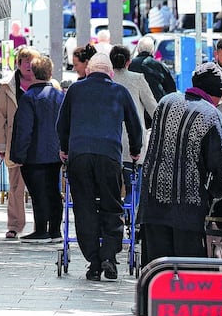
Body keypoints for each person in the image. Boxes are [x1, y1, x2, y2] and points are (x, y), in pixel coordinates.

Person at [56, 52, 143, 282]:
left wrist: (64, 148)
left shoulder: (75, 90)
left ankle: (94, 263)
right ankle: (109, 257)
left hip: (80, 156)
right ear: (111, 73)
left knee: (84, 208)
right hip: (109, 156)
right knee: (112, 206)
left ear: (88, 71)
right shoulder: (119, 91)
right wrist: (135, 150)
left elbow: (61, 123)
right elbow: (135, 125)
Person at [140, 62, 222, 265]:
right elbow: (219, 165)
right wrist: (217, 194)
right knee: (187, 273)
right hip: (187, 211)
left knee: (157, 272)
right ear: (214, 93)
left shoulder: (165, 102)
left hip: (152, 206)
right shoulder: (211, 115)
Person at [9, 54, 64, 243]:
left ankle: (41, 229)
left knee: (38, 193)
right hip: (56, 153)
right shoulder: (60, 96)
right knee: (53, 192)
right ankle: (55, 230)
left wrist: (18, 155)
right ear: (50, 73)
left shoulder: (29, 98)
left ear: (33, 73)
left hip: (33, 155)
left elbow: (24, 129)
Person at [0, 45, 41, 239]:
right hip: (15, 144)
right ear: (18, 64)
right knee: (16, 187)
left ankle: (41, 226)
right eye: (24, 61)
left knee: (39, 189)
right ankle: (14, 226)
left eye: (32, 61)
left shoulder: (47, 84)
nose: (28, 65)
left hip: (38, 145)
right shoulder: (6, 86)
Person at [110, 45, 157, 192]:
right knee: (134, 187)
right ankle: (131, 213)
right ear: (128, 61)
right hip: (133, 142)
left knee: (113, 187)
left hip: (110, 141)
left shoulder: (107, 80)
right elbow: (153, 108)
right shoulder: (137, 79)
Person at [129, 35, 177, 104]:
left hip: (136, 106)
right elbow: (171, 90)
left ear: (138, 49)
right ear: (152, 51)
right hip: (157, 106)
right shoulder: (160, 66)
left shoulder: (129, 65)